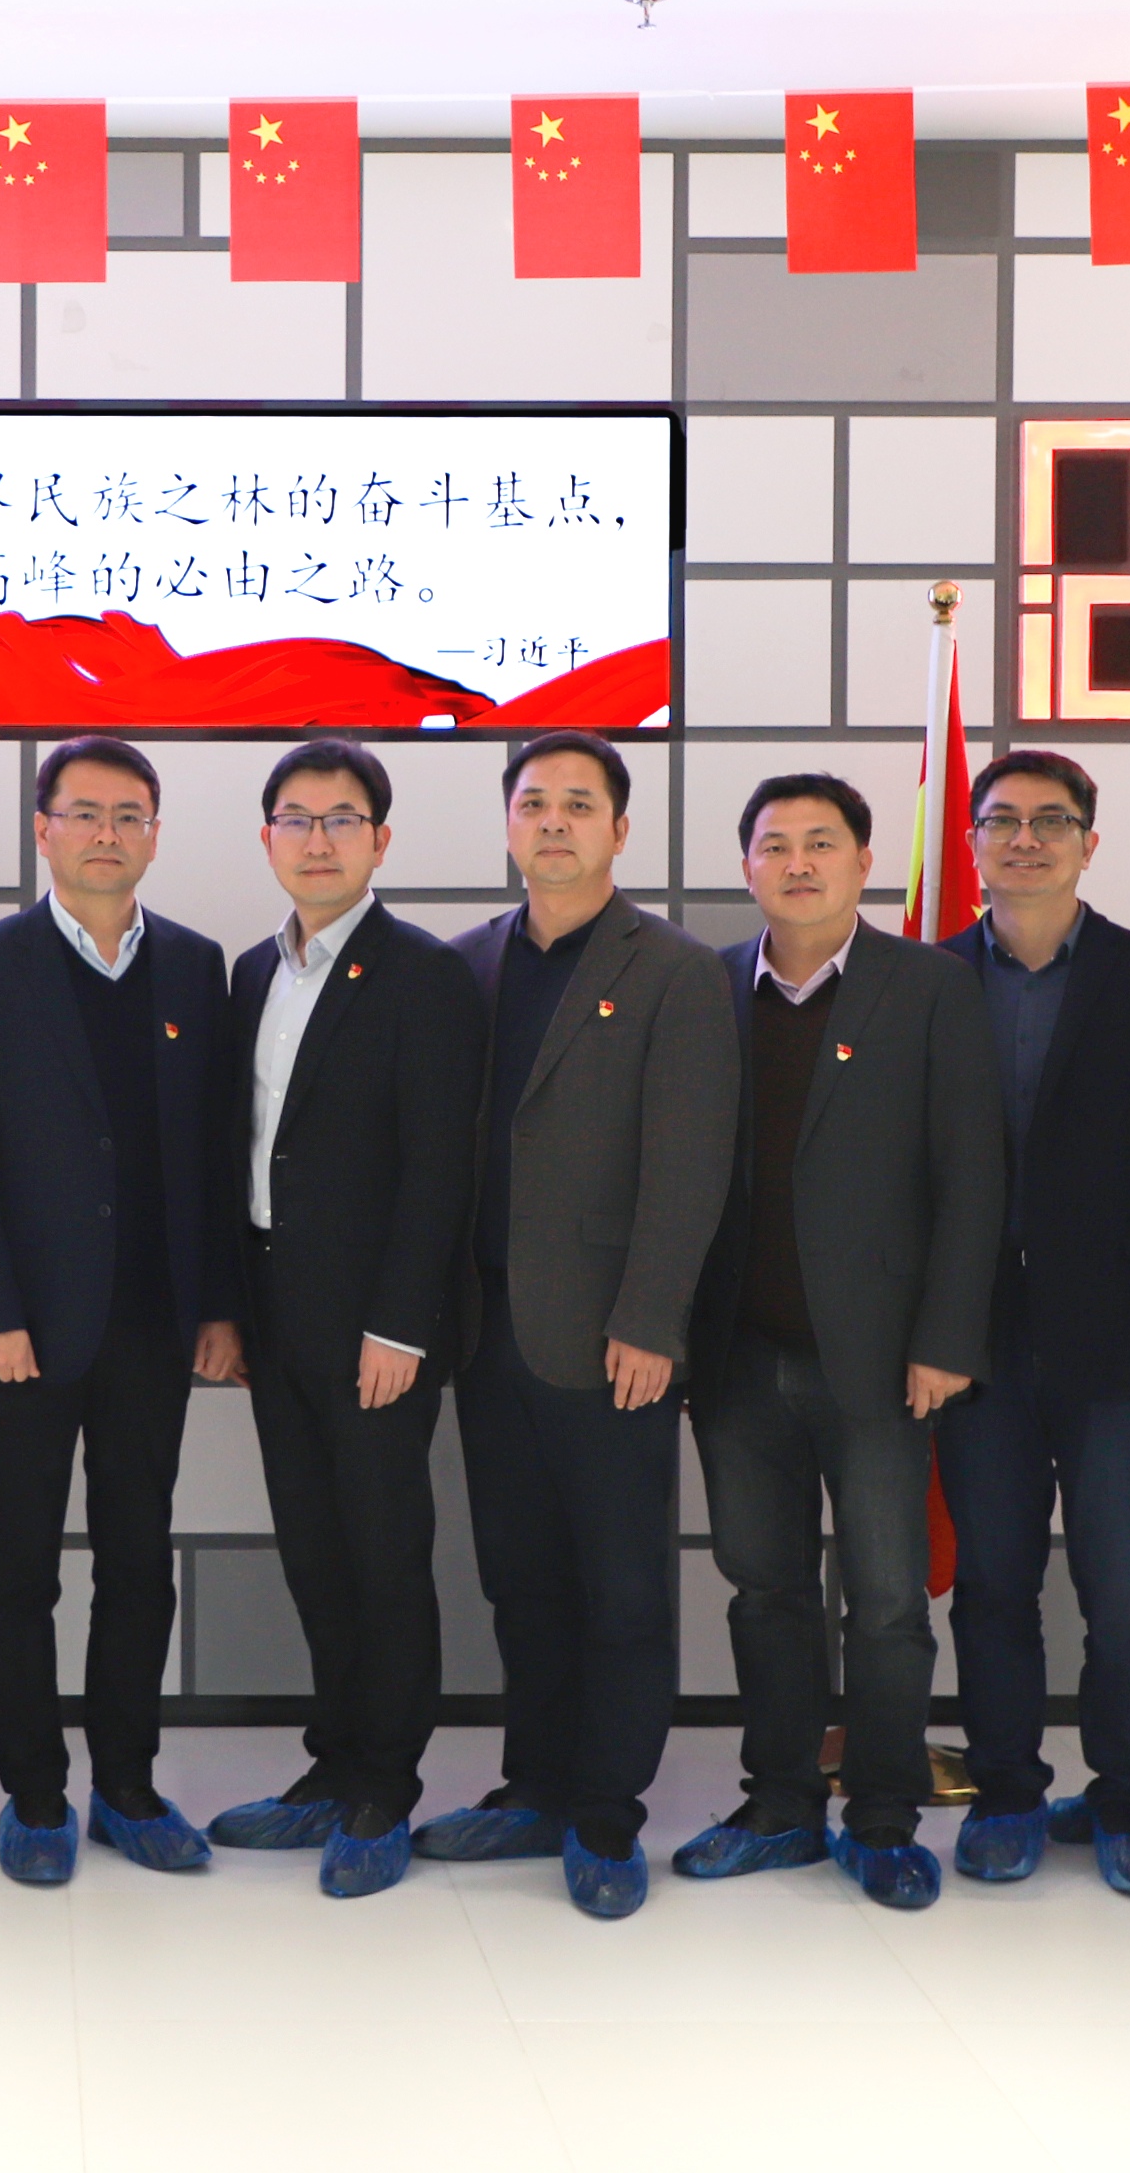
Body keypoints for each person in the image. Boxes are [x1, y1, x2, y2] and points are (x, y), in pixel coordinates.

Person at [418, 732, 735, 1921]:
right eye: (534, 801)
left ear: (618, 828)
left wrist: (652, 1318)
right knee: (520, 1573)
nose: (553, 820)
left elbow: (689, 1161)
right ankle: (535, 1782)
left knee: (620, 1580)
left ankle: (605, 1809)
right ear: (508, 822)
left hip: (611, 1333)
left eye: (578, 803)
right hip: (484, 1323)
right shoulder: (464, 964)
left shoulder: (675, 970)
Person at [673, 772, 998, 1913]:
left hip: (880, 1361)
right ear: (746, 865)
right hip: (736, 1357)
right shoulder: (707, 985)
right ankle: (777, 1801)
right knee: (763, 1589)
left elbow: (971, 1175)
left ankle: (884, 1815)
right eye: (775, 843)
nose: (798, 862)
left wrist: (946, 1337)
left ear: (866, 861)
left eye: (822, 842)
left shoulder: (930, 985)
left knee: (889, 1599)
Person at [0, 735, 241, 1886]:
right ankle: (33, 1791)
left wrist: (219, 1304)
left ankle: (128, 1784)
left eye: (129, 814)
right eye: (84, 812)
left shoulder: (195, 965)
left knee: (138, 1557)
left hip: (154, 1318)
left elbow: (213, 1149)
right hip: (24, 1323)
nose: (106, 832)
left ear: (154, 832)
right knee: (20, 1563)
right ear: (43, 828)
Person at [932, 751, 1130, 1899]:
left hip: (1122, 1339)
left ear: (1089, 844)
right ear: (971, 839)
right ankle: (1005, 1790)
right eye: (1002, 820)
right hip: (973, 1339)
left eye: (1050, 821)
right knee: (993, 1582)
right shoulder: (928, 977)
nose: (1025, 839)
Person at [205, 739, 483, 1900]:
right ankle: (331, 1761)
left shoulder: (424, 975)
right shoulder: (249, 973)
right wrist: (226, 1307)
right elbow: (239, 1150)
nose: (316, 839)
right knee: (314, 1549)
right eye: (295, 818)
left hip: (376, 1323)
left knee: (382, 1551)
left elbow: (439, 1165)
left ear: (380, 838)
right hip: (275, 1308)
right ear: (266, 835)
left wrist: (402, 1324)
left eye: (341, 818)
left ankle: (384, 1784)